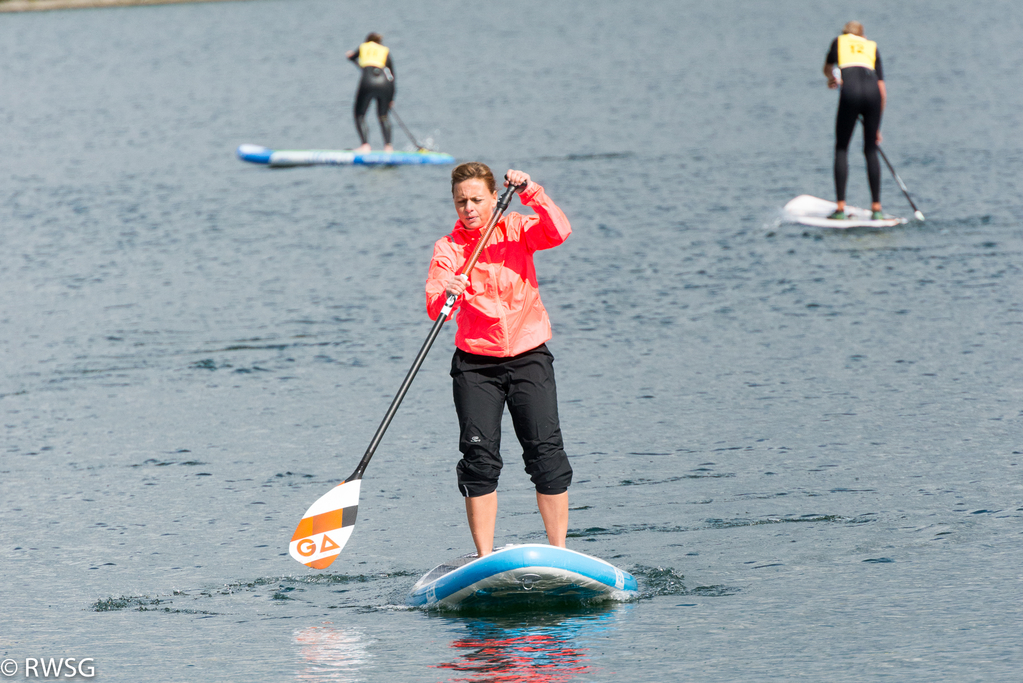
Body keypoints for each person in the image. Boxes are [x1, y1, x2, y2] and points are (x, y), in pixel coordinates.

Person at [425, 162, 574, 558]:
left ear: (494, 198)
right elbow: (435, 306)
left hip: (529, 358)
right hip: (476, 367)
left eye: (476, 199)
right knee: (479, 461)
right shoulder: (449, 248)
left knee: (546, 456)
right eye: (461, 202)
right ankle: (484, 558)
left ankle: (559, 552)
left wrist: (532, 191)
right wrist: (448, 291)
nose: (469, 208)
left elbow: (560, 231)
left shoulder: (519, 230)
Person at [823, 21, 887, 220]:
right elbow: (883, 91)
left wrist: (832, 80)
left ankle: (841, 209)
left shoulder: (839, 42)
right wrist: (877, 127)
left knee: (842, 148)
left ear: (845, 33)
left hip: (850, 93)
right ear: (863, 35)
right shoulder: (872, 47)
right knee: (870, 149)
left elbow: (827, 69)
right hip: (873, 95)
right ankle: (876, 209)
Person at [345, 33, 395, 153]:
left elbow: (352, 57)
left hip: (368, 81)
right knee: (383, 116)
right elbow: (392, 76)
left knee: (359, 115)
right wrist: (391, 98)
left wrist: (350, 56)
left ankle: (365, 146)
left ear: (368, 40)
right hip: (385, 83)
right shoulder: (385, 50)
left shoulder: (364, 46)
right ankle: (388, 147)